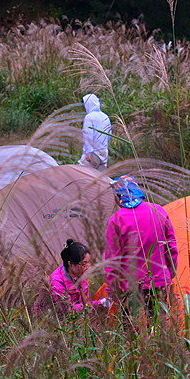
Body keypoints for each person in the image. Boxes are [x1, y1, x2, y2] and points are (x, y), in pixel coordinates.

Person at [104, 176, 178, 324]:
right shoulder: (158, 211)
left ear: (119, 197)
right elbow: (171, 248)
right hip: (159, 282)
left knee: (130, 329)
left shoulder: (117, 219)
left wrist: (113, 289)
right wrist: (170, 273)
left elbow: (112, 260)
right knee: (157, 327)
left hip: (129, 286)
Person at [35, 239, 110, 315]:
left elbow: (84, 303)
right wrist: (99, 303)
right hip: (52, 319)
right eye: (84, 264)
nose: (87, 268)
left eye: (88, 264)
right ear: (70, 264)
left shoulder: (77, 274)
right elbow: (68, 311)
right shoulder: (56, 282)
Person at [78, 93, 111, 171]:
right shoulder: (106, 116)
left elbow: (88, 135)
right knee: (100, 176)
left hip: (93, 153)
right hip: (104, 152)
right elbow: (109, 134)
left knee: (83, 174)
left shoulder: (89, 117)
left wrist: (88, 152)